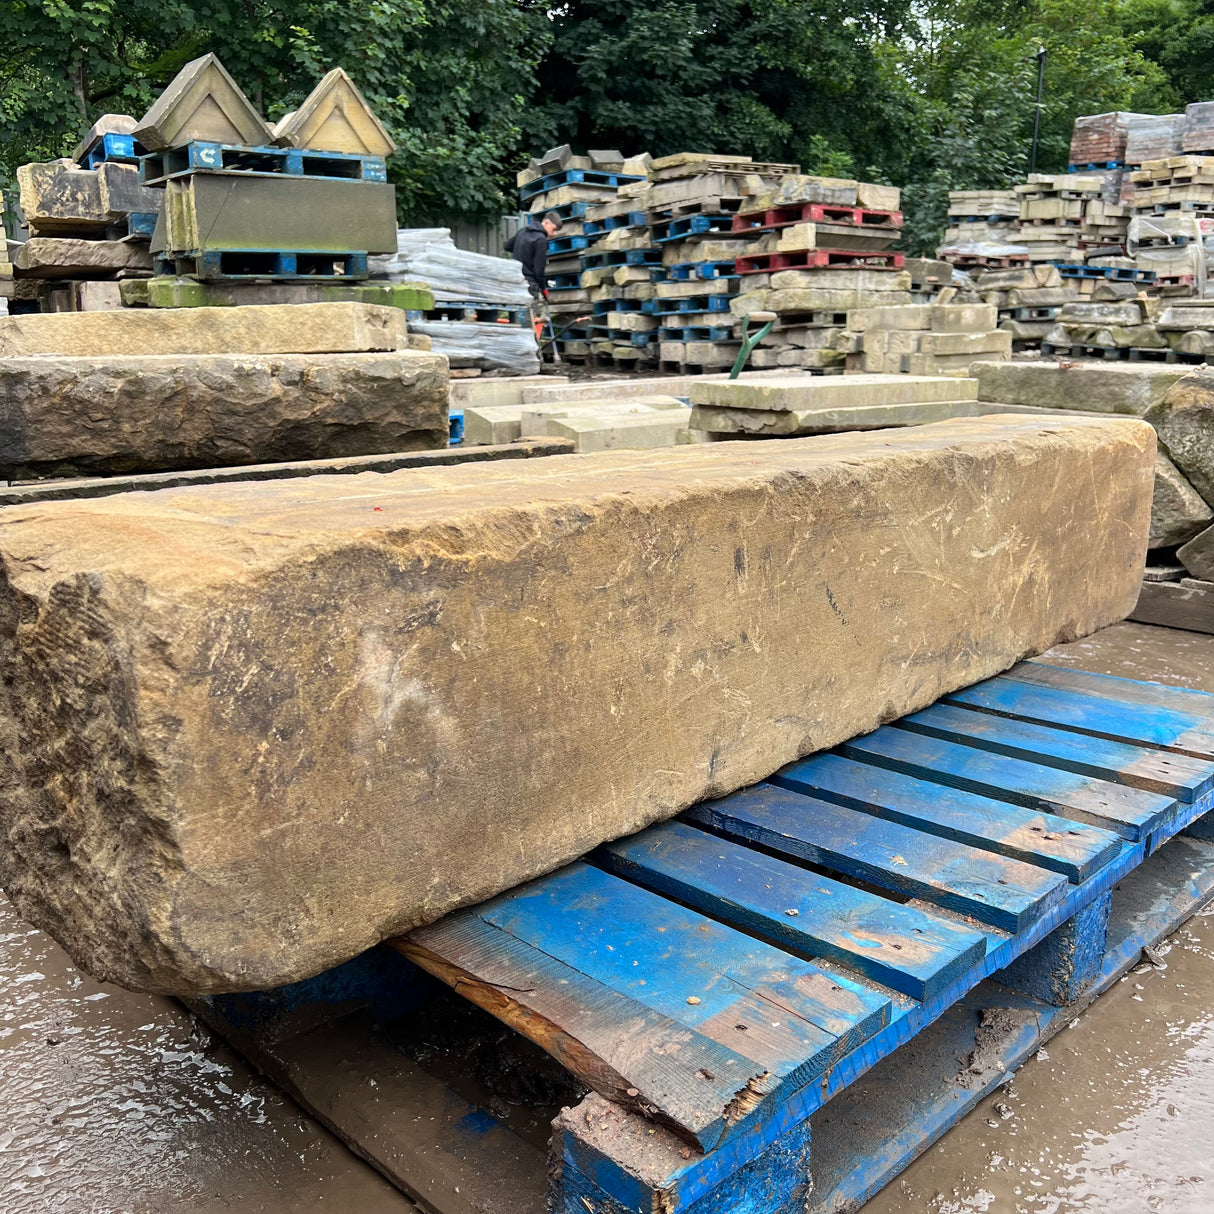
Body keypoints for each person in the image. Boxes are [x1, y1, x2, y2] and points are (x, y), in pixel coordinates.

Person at [506, 212, 562, 301]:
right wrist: (543, 288)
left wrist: (522, 252)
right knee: (532, 309)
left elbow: (507, 246)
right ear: (546, 223)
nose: (555, 234)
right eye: (554, 229)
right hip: (529, 285)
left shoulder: (522, 231)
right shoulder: (541, 239)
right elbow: (538, 270)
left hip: (515, 280)